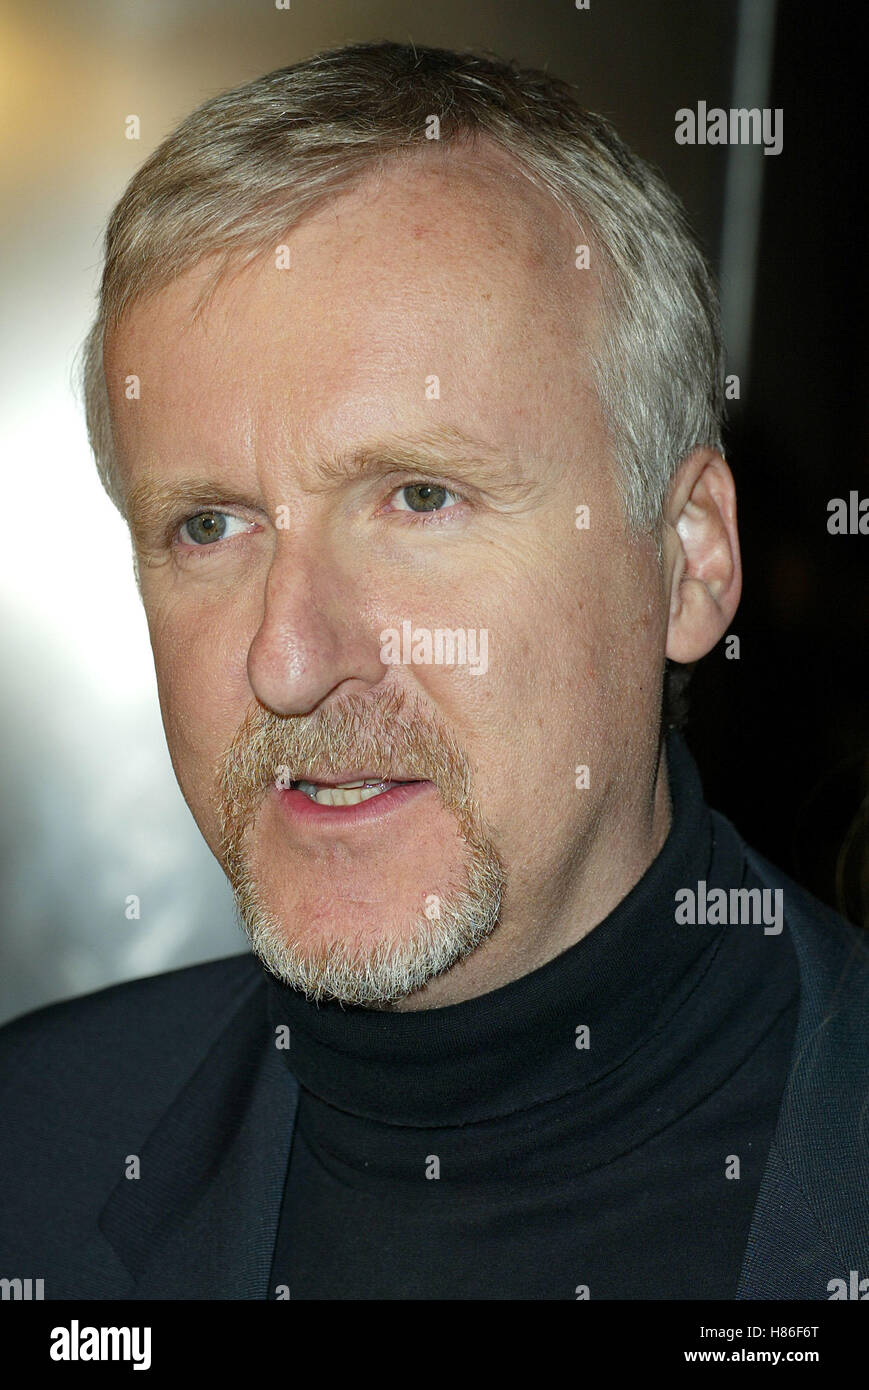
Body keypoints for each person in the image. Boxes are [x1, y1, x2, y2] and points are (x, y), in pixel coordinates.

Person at [0, 41, 865, 1301]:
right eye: (210, 525)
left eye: (417, 497)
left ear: (685, 564)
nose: (288, 661)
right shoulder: (34, 1149)